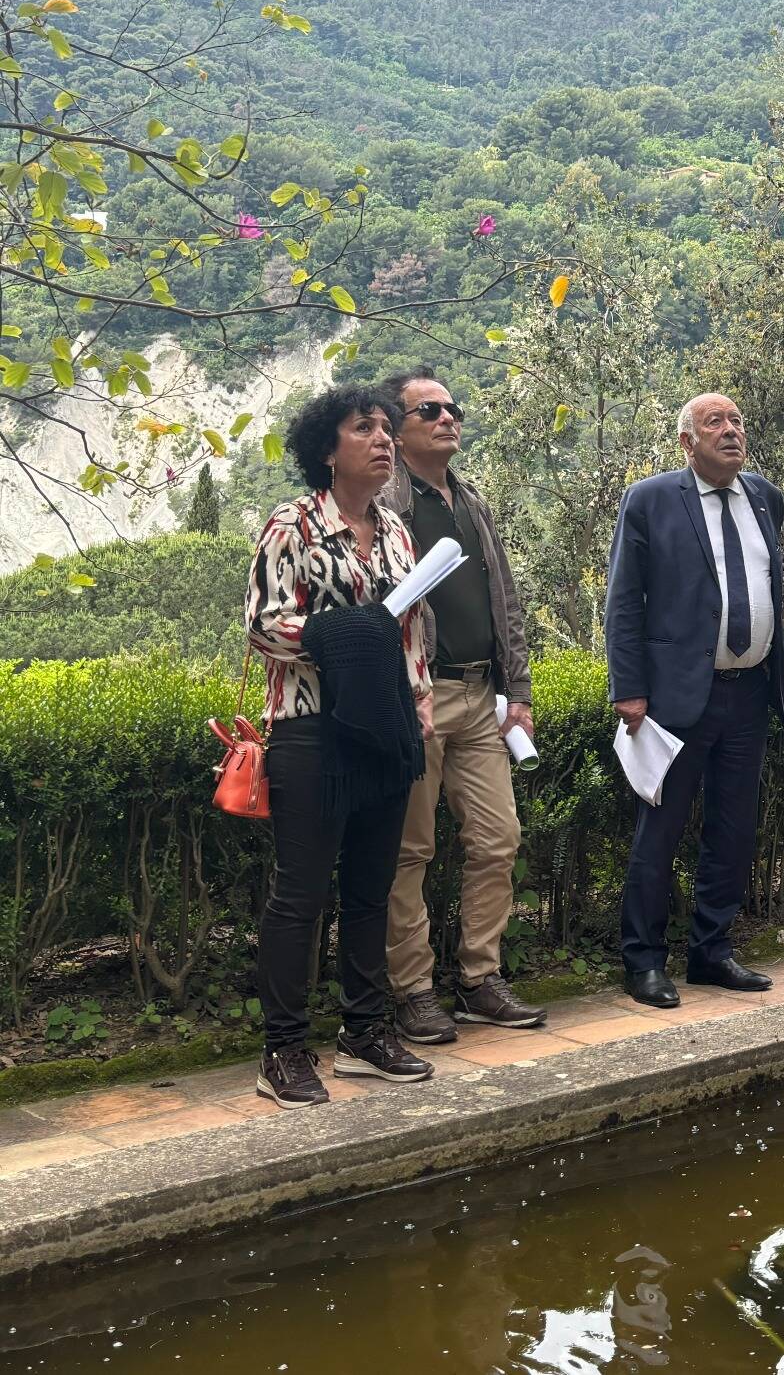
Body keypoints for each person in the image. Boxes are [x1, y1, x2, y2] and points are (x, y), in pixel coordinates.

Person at [245, 385, 438, 1109]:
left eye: (387, 428)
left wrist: (417, 700)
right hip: (310, 730)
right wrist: (348, 636)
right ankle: (283, 1051)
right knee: (299, 896)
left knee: (369, 892)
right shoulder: (289, 524)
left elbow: (411, 632)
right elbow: (264, 624)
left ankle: (363, 1035)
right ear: (328, 449)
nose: (384, 439)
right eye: (366, 428)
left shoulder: (395, 531)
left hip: (382, 732)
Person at [603, 392, 784, 1008]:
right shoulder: (651, 500)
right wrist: (628, 688)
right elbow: (625, 600)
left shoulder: (764, 497)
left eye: (737, 419)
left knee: (733, 831)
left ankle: (711, 952)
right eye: (715, 422)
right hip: (676, 699)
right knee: (660, 831)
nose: (731, 430)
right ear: (688, 442)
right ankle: (644, 962)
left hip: (749, 692)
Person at [380, 367, 548, 1044]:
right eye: (429, 409)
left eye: (453, 407)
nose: (447, 418)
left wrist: (521, 695)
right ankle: (412, 991)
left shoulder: (470, 501)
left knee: (498, 837)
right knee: (410, 851)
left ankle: (480, 978)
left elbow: (504, 602)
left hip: (481, 698)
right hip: (415, 697)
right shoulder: (387, 502)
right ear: (396, 429)